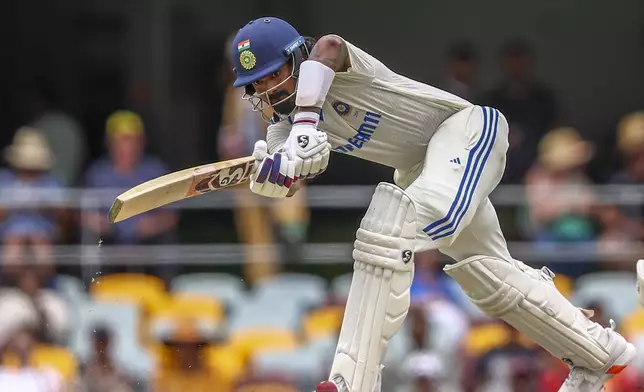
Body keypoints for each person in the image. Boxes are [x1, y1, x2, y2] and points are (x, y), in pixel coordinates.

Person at [228, 17, 636, 392]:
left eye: (274, 75)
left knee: (387, 228)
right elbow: (290, 175)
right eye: (257, 85)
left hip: (466, 132)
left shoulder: (336, 69)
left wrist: (304, 123)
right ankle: (598, 354)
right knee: (488, 278)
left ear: (297, 58)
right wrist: (278, 177)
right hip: (421, 171)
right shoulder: (284, 126)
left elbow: (331, 45)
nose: (267, 91)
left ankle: (351, 381)